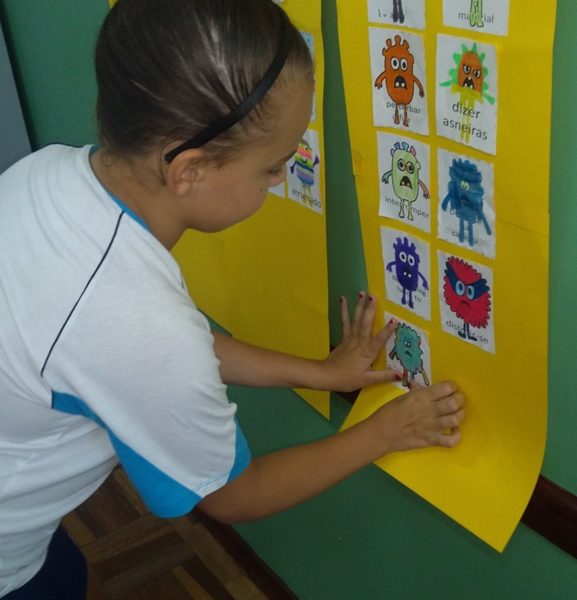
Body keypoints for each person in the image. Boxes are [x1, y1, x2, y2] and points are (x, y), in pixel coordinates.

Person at [0, 0, 465, 597]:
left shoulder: (51, 172)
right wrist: (385, 433)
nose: (280, 181)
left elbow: (156, 349)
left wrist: (319, 373)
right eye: (272, 169)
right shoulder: (133, 319)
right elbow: (235, 495)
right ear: (189, 170)